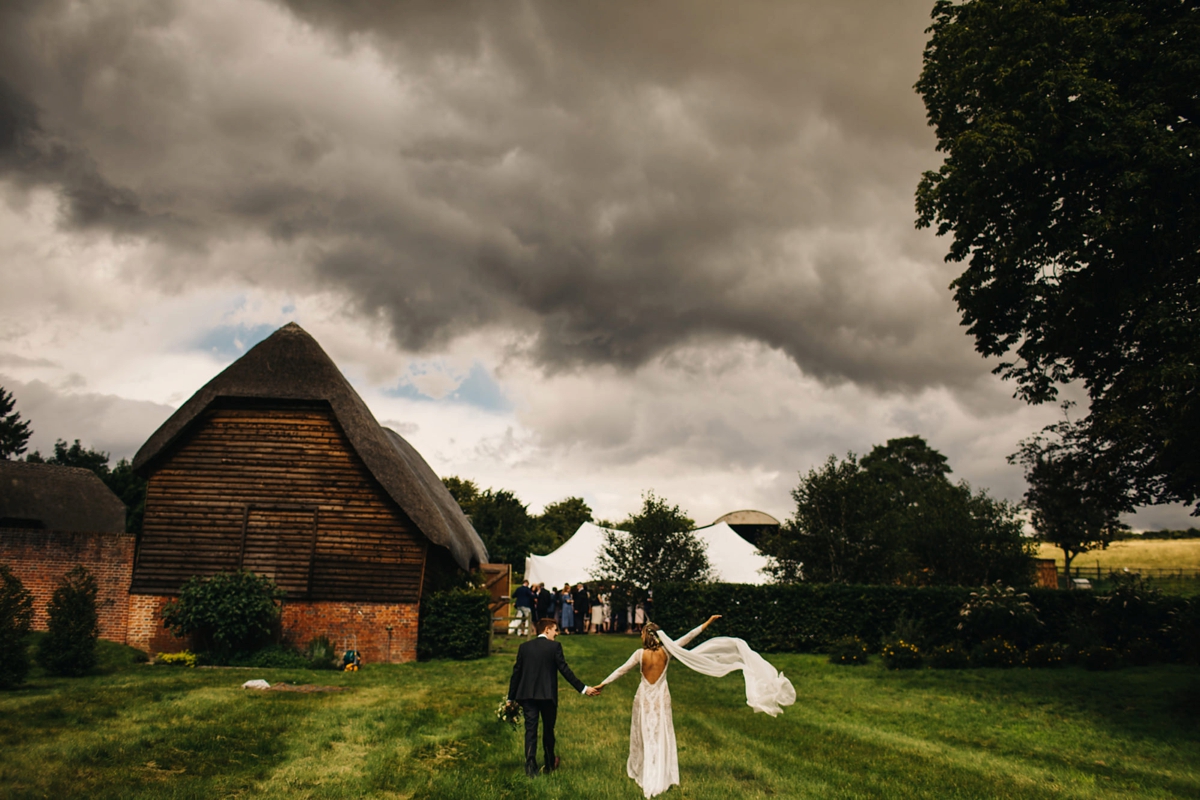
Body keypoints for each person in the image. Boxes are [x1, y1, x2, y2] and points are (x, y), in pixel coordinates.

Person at [595, 615, 795, 798]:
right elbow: (688, 637)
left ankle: (647, 770)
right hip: (661, 697)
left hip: (644, 698)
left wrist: (603, 683)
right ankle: (661, 773)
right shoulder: (667, 651)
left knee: (646, 733)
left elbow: (620, 670)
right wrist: (707, 623)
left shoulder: (639, 655)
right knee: (662, 732)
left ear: (645, 636)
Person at [507, 618, 601, 778]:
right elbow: (565, 670)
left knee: (530, 730)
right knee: (548, 730)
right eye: (555, 630)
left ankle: (530, 766)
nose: (556, 634)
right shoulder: (554, 647)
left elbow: (517, 673)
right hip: (547, 696)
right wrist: (583, 688)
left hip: (528, 696)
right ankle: (549, 763)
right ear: (547, 630)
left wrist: (511, 698)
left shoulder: (525, 647)